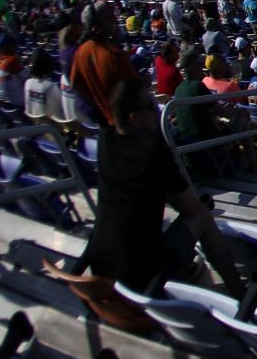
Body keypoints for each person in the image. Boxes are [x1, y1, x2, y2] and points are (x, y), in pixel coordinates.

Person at [89, 78, 244, 297]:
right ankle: (240, 293)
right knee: (201, 214)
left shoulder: (105, 140)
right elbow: (189, 207)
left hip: (102, 264)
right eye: (151, 107)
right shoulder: (153, 152)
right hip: (138, 276)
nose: (158, 111)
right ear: (134, 118)